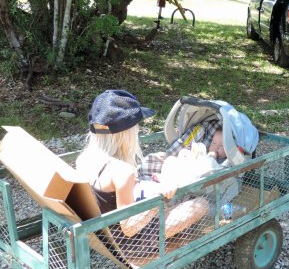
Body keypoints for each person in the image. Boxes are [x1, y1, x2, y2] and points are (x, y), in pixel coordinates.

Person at [76, 90, 209, 258]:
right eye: (137, 125)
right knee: (201, 204)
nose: (138, 128)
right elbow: (129, 227)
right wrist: (156, 197)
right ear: (125, 133)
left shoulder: (85, 160)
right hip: (131, 244)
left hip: (107, 233)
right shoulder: (122, 171)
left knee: (168, 189)